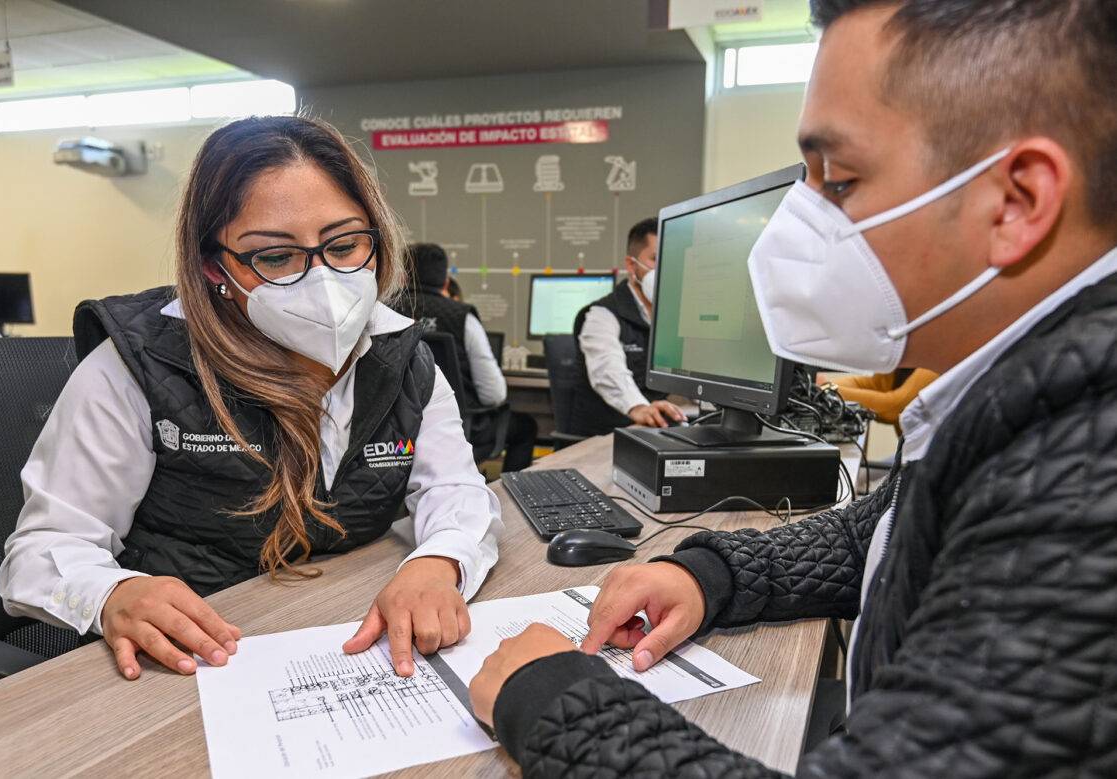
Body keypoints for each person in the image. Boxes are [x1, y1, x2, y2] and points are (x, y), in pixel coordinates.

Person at [468, 0, 1117, 774]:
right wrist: (710, 573)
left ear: (1017, 202)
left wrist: (554, 700)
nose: (793, 229)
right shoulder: (1031, 397)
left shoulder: (1086, 475)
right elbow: (871, 532)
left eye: (838, 182)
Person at [0, 116, 502, 681]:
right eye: (275, 257)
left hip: (342, 636)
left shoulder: (402, 358)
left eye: (345, 244)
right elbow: (41, 549)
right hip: (198, 660)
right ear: (216, 266)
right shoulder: (136, 366)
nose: (324, 280)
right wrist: (115, 592)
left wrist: (440, 560)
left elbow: (456, 488)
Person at [393, 243, 537, 471]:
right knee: (525, 427)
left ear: (401, 278)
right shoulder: (462, 317)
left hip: (396, 438)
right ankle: (512, 496)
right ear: (446, 283)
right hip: (459, 431)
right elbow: (494, 394)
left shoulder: (384, 312)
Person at [570, 217, 685, 435]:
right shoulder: (601, 315)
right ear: (632, 265)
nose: (665, 270)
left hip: (647, 430)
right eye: (656, 259)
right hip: (601, 436)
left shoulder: (670, 317)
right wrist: (638, 407)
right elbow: (607, 368)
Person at [828, 367, 940, 433]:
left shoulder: (934, 365)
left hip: (933, 465)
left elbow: (893, 407)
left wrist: (827, 390)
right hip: (910, 461)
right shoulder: (903, 366)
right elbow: (866, 384)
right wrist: (826, 388)